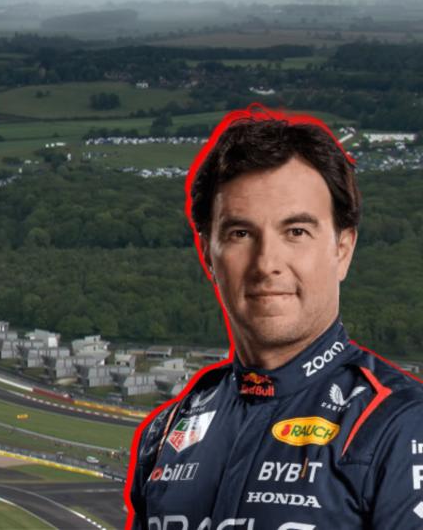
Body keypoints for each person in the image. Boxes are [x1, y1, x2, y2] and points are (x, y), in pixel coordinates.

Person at [127, 104, 423, 529]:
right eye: (241, 233)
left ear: (343, 250)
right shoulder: (169, 430)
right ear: (208, 254)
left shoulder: (402, 426)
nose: (267, 263)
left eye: (296, 232)